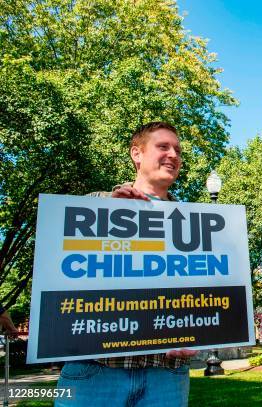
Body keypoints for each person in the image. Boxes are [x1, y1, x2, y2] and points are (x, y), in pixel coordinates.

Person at [56, 122, 197, 407]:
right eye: (163, 146)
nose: (173, 155)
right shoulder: (95, 203)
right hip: (94, 372)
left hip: (166, 376)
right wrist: (110, 210)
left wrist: (197, 334)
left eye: (178, 150)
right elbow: (61, 271)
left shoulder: (193, 223)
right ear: (137, 153)